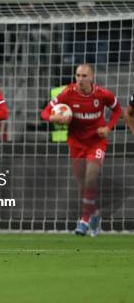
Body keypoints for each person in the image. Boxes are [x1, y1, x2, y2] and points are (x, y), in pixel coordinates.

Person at [41, 64, 122, 237]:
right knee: (81, 183)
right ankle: (93, 214)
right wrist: (54, 117)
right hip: (76, 144)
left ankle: (84, 220)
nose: (80, 79)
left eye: (84, 76)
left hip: (96, 142)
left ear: (92, 77)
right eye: (78, 75)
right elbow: (45, 113)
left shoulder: (103, 94)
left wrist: (108, 127)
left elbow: (117, 110)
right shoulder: (68, 93)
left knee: (91, 177)